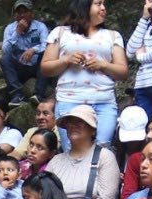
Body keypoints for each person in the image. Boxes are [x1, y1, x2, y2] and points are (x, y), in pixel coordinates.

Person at [42, 0, 128, 150]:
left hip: (103, 102)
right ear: (84, 6)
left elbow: (123, 72)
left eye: (104, 5)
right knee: (72, 152)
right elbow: (45, 68)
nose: (103, 8)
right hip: (69, 101)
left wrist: (103, 65)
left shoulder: (113, 36)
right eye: (98, 4)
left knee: (101, 152)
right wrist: (66, 60)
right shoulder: (60, 32)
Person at [45, 105, 119, 199]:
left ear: (93, 130)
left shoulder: (105, 156)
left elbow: (107, 198)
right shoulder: (55, 161)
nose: (74, 126)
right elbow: (45, 194)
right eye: (70, 122)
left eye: (80, 122)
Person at [2, 1, 51, 105]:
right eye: (19, 12)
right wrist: (17, 32)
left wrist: (33, 50)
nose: (22, 15)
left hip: (37, 67)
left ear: (32, 14)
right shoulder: (10, 29)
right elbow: (5, 50)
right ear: (15, 15)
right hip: (20, 67)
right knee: (5, 59)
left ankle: (39, 95)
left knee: (45, 55)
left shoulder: (40, 27)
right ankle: (17, 95)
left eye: (25, 12)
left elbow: (46, 45)